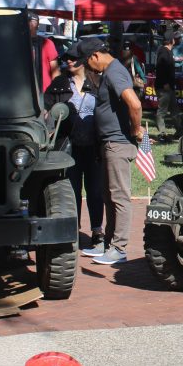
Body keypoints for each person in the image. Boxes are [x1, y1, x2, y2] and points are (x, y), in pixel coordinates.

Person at [73, 38, 144, 266]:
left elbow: (134, 104)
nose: (88, 68)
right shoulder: (110, 73)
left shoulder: (115, 72)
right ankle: (109, 244)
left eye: (87, 62)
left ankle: (119, 248)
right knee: (109, 196)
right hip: (109, 143)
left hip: (118, 143)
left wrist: (136, 130)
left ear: (95, 56)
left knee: (119, 196)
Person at [44, 49, 106, 257]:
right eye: (65, 59)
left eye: (72, 58)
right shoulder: (60, 84)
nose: (68, 61)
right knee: (72, 191)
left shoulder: (97, 82)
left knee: (95, 190)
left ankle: (97, 231)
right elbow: (46, 109)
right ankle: (74, 231)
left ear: (83, 60)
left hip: (94, 146)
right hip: (69, 146)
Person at [154, 36, 183, 141]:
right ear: (172, 41)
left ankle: (180, 131)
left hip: (169, 86)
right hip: (164, 87)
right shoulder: (164, 52)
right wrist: (165, 83)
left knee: (175, 110)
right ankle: (162, 133)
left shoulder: (167, 51)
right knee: (162, 111)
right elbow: (160, 69)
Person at [28, 13, 59, 91]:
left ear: (38, 24)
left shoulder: (47, 43)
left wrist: (55, 91)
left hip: (45, 92)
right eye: (28, 21)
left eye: (32, 21)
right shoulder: (18, 43)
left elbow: (55, 70)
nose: (30, 24)